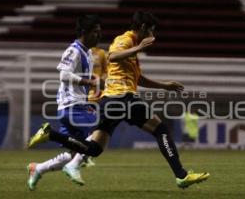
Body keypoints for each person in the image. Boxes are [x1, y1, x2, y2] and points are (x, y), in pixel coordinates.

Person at [28, 11, 210, 189]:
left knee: (93, 149)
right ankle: (181, 175)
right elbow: (112, 56)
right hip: (122, 98)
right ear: (143, 27)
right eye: (151, 30)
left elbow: (137, 78)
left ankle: (50, 134)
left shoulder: (130, 48)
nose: (152, 35)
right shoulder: (125, 40)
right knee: (160, 129)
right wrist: (138, 48)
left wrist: (164, 86)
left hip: (111, 101)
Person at [26, 14, 102, 190]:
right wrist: (87, 82)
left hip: (75, 104)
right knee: (101, 130)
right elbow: (63, 75)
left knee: (79, 151)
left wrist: (95, 82)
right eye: (95, 32)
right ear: (84, 32)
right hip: (72, 105)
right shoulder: (74, 50)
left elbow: (82, 77)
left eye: (99, 31)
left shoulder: (88, 52)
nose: (99, 35)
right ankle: (49, 134)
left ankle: (37, 168)